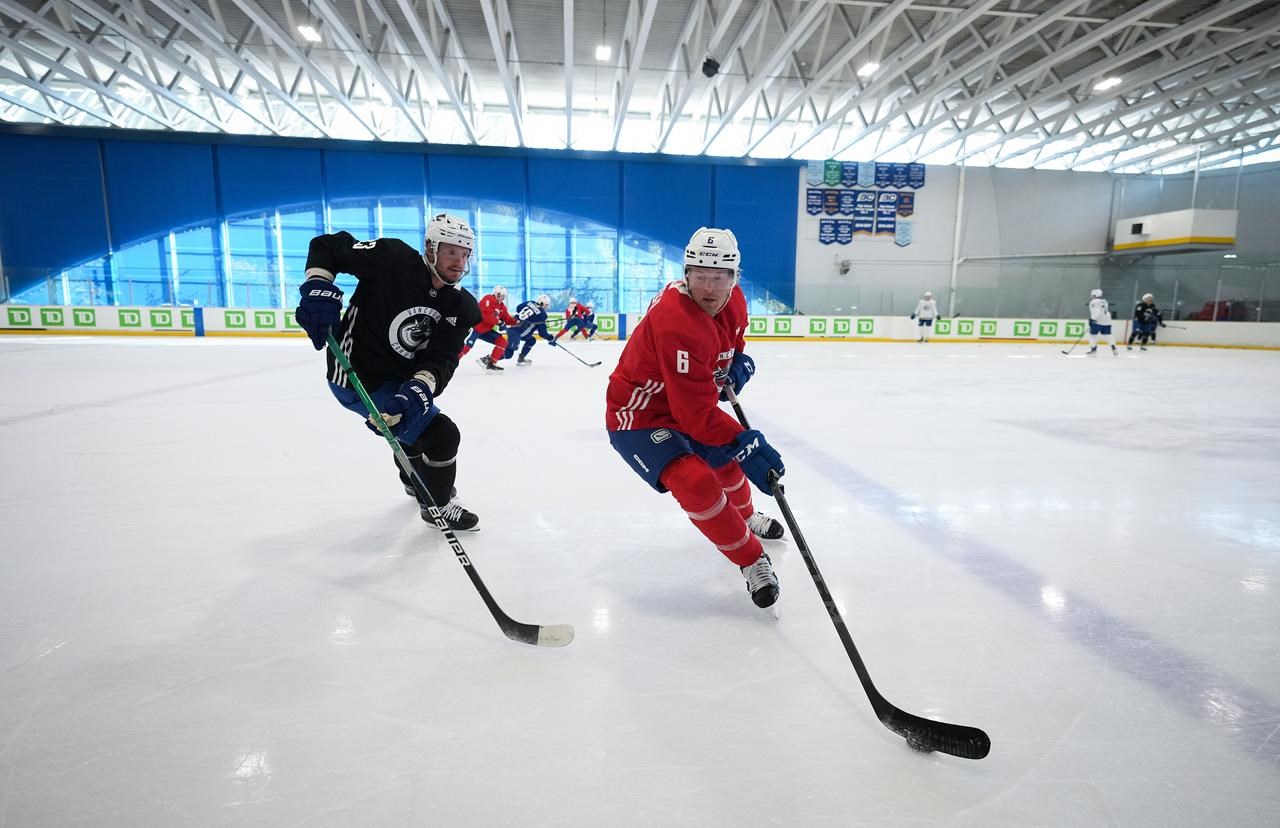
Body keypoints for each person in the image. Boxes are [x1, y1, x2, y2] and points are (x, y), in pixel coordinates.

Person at [605, 227, 786, 610]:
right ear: (686, 274)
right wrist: (746, 443)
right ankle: (753, 560)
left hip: (685, 401)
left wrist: (737, 364)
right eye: (700, 275)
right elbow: (697, 414)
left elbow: (731, 346)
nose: (709, 286)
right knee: (697, 481)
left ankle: (747, 515)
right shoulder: (677, 321)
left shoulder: (735, 301)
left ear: (735, 278)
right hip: (640, 414)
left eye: (719, 276)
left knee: (726, 463)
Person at [293, 213, 483, 531]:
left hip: (399, 377)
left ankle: (415, 480)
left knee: (409, 420)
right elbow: (328, 246)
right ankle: (437, 504)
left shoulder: (460, 306)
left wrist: (419, 388)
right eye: (451, 251)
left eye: (465, 254)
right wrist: (318, 284)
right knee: (442, 434)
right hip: (355, 375)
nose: (459, 262)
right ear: (431, 247)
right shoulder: (391, 259)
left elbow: (443, 358)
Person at [460, 284, 518, 371]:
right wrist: (498, 322)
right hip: (475, 328)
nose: (501, 297)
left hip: (485, 330)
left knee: (502, 342)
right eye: (500, 295)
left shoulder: (501, 306)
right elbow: (485, 315)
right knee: (466, 348)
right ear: (495, 293)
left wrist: (516, 322)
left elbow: (507, 318)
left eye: (503, 296)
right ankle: (449, 361)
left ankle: (490, 362)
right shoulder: (488, 299)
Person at [500, 294, 558, 366]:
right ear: (542, 304)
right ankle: (490, 358)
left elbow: (518, 308)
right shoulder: (542, 314)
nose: (546, 307)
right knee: (508, 354)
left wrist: (529, 318)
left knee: (531, 340)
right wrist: (551, 338)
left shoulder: (530, 302)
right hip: (517, 333)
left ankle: (521, 358)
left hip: (513, 327)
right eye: (546, 305)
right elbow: (542, 333)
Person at [1087, 288, 1117, 356]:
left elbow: (1096, 311)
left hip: (1098, 321)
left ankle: (1093, 350)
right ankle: (1113, 347)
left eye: (1092, 295)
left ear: (1094, 295)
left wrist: (1092, 319)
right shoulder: (1104, 301)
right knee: (1108, 335)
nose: (1091, 296)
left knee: (1092, 335)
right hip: (1107, 321)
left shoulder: (1093, 302)